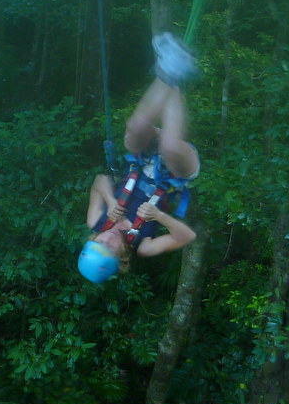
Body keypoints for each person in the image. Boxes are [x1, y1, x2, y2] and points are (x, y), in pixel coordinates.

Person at [78, 32, 201, 283]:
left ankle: (170, 71)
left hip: (143, 158)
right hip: (177, 170)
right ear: (120, 257)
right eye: (109, 247)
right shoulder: (143, 245)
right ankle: (174, 74)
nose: (107, 238)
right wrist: (159, 217)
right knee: (169, 145)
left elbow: (100, 181)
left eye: (100, 241)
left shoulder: (96, 221)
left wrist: (111, 201)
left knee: (135, 128)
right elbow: (187, 236)